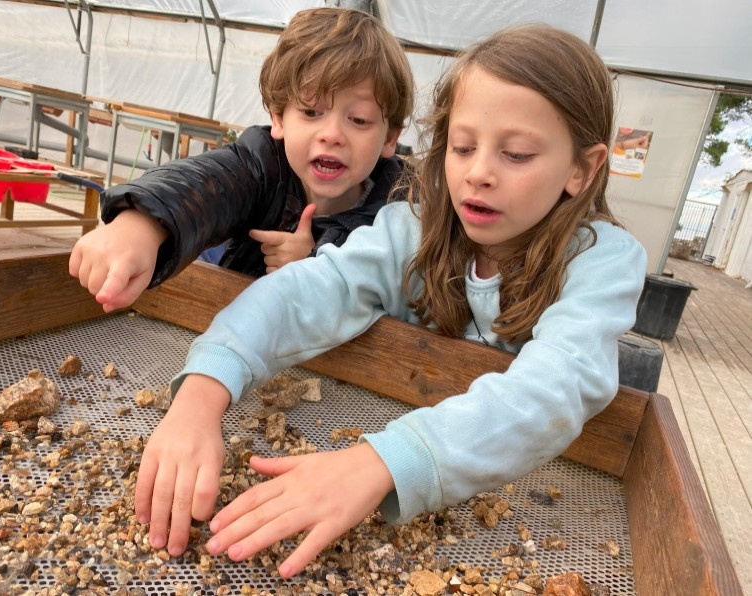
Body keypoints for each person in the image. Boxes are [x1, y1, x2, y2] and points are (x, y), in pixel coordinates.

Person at [135, 24, 648, 578]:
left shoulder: (602, 263)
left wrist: (380, 461)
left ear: (582, 167)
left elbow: (556, 387)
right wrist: (202, 394)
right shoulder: (412, 230)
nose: (479, 172)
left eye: (517, 154)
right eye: (462, 146)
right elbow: (311, 290)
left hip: (526, 505)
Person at [69, 7, 415, 312]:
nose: (333, 134)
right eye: (311, 111)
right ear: (279, 118)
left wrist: (314, 265)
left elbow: (403, 297)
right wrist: (143, 224)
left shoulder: (402, 208)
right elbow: (211, 183)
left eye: (359, 120)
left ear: (389, 137)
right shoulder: (263, 164)